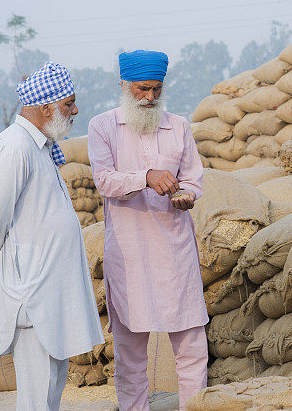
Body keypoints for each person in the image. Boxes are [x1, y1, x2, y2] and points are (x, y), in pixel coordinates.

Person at [0, 61, 104, 411]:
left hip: (49, 288)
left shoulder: (41, 146)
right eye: (68, 103)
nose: (75, 110)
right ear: (46, 107)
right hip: (31, 290)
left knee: (50, 391)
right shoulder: (16, 146)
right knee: (35, 397)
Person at [88, 49, 208, 411]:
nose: (150, 98)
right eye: (142, 89)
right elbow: (105, 182)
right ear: (123, 85)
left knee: (191, 347)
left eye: (156, 90)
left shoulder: (179, 126)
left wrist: (187, 197)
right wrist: (145, 177)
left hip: (174, 251)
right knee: (130, 353)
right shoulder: (102, 126)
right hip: (130, 254)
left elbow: (194, 181)